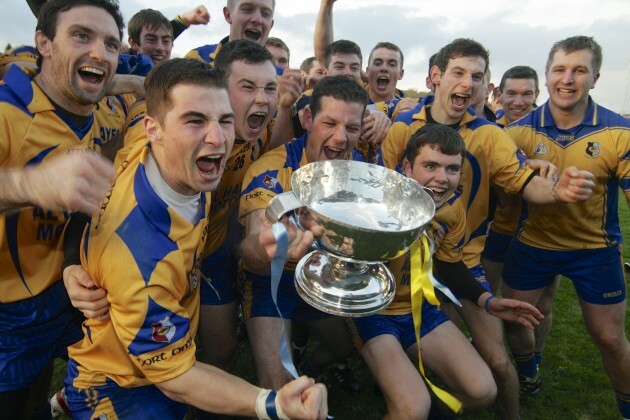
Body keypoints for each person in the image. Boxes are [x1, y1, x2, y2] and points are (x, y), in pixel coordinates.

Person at [64, 57, 327, 419]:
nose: (218, 139)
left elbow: (145, 99)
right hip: (120, 385)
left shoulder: (160, 150)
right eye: (195, 121)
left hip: (156, 341)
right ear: (153, 128)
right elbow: (177, 377)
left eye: (224, 119)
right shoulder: (144, 258)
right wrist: (272, 404)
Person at [381, 37, 595, 419]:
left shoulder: (491, 135)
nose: (468, 82)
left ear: (484, 84)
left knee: (496, 363)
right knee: (413, 348)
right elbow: (384, 191)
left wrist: (557, 190)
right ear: (436, 77)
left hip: (460, 260)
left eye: (477, 76)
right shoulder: (400, 128)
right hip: (404, 263)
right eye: (459, 72)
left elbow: (524, 182)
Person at [350, 124, 543, 419]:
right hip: (372, 313)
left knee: (482, 391)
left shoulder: (452, 209)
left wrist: (488, 301)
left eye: (452, 169)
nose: (441, 179)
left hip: (418, 309)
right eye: (430, 166)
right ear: (406, 167)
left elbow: (450, 264)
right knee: (412, 407)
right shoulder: (375, 202)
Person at [0, 0, 121, 417]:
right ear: (43, 43)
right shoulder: (6, 112)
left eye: (111, 43)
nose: (99, 53)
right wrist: (32, 183)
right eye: (81, 36)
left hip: (72, 293)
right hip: (8, 314)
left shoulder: (106, 115)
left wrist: (72, 262)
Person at [502, 36, 630, 419]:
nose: (568, 79)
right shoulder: (518, 134)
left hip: (594, 250)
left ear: (595, 77)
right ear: (547, 75)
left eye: (579, 70)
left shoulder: (618, 132)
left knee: (610, 338)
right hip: (532, 245)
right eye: (560, 69)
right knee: (515, 320)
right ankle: (529, 372)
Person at [238, 75, 366, 390]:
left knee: (344, 348)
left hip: (323, 277)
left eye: (351, 128)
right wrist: (272, 248)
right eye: (330, 123)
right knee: (278, 385)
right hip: (272, 282)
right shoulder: (270, 171)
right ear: (307, 119)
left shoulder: (362, 169)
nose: (340, 139)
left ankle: (310, 367)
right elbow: (252, 251)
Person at [481, 65, 559, 391]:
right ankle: (489, 354)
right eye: (511, 93)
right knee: (486, 297)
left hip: (542, 233)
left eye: (527, 93)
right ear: (499, 95)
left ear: (537, 95)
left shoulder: (550, 134)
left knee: (541, 306)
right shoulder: (489, 131)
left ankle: (531, 366)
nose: (519, 100)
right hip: (496, 231)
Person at [185, 0, 275, 67]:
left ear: (271, 24)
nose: (257, 19)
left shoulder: (281, 80)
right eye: (247, 10)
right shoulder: (196, 59)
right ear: (228, 15)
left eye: (265, 14)